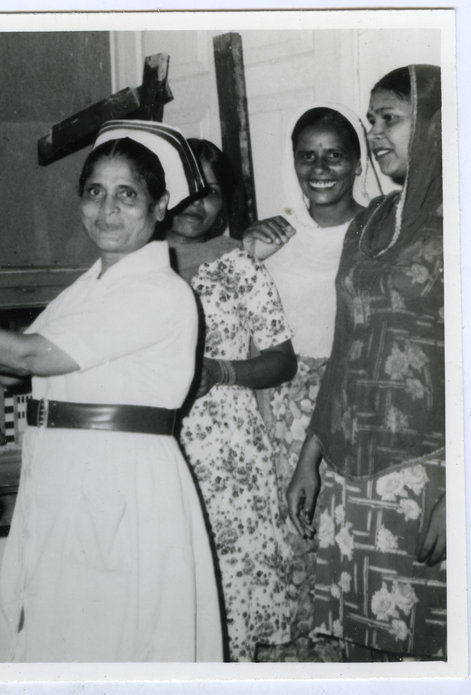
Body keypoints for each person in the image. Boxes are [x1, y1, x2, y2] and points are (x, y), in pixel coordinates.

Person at [0, 120, 223, 663]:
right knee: (58, 629)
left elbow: (28, 357)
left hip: (119, 484)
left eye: (127, 195)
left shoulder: (157, 291)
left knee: (110, 638)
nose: (106, 210)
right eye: (94, 192)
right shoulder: (94, 284)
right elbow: (9, 370)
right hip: (68, 476)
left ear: (161, 203)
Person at [286, 65, 446, 661]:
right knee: (359, 653)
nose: (375, 134)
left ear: (434, 126)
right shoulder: (371, 220)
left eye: (391, 119)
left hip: (428, 477)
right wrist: (312, 455)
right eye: (372, 119)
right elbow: (344, 344)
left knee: (432, 653)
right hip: (350, 476)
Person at [240, 105, 375, 653]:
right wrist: (248, 252)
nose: (320, 168)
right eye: (307, 156)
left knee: (343, 548)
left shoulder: (377, 231)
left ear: (357, 162)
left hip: (349, 398)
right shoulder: (276, 234)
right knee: (286, 545)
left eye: (334, 155)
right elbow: (248, 325)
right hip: (279, 402)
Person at [166, 137, 297, 662]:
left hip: (228, 450)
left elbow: (281, 359)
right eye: (185, 189)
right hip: (156, 442)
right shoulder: (137, 266)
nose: (197, 204)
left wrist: (220, 371)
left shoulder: (239, 264)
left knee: (228, 595)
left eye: (211, 192)